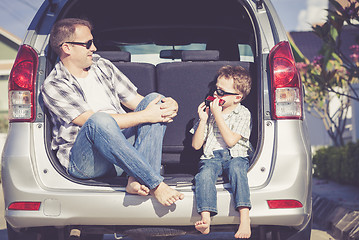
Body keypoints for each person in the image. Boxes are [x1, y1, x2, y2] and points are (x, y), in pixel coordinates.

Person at [41, 18, 184, 206]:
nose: (94, 48)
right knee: (99, 120)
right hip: (86, 161)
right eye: (88, 44)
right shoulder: (54, 84)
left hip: (120, 153)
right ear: (67, 48)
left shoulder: (102, 65)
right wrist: (147, 115)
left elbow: (139, 102)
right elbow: (89, 121)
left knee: (154, 98)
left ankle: (135, 179)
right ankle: (155, 184)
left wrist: (168, 105)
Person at [190, 65, 253, 238]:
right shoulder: (208, 114)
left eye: (222, 92)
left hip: (235, 155)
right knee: (203, 176)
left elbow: (231, 141)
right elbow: (196, 145)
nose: (216, 95)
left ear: (237, 98)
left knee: (238, 172)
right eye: (216, 90)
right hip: (211, 157)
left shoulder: (243, 114)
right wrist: (203, 120)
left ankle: (245, 219)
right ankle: (206, 219)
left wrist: (217, 115)